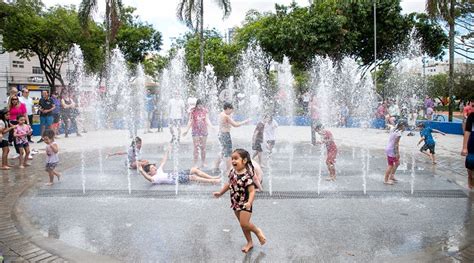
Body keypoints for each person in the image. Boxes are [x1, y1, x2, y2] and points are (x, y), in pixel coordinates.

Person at [213, 149, 266, 253]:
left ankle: (257, 231)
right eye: (232, 158)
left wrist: (249, 202)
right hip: (235, 202)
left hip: (245, 203)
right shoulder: (233, 172)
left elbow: (251, 191)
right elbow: (229, 184)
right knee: (243, 224)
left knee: (244, 223)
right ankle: (249, 242)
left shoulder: (247, 176)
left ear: (244, 160)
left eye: (236, 158)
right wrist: (220, 193)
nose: (233, 161)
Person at [138, 144, 221, 184]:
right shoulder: (155, 179)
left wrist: (167, 151)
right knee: (193, 177)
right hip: (175, 179)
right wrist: (142, 171)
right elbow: (148, 178)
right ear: (149, 173)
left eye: (153, 167)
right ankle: (213, 181)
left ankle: (212, 177)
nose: (154, 168)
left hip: (176, 174)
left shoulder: (158, 171)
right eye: (152, 168)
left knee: (194, 169)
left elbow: (163, 161)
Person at [214, 102, 250, 174]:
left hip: (221, 134)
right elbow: (235, 125)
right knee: (228, 153)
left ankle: (216, 167)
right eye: (231, 110)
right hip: (225, 135)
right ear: (227, 109)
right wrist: (245, 122)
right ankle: (228, 170)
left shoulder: (221, 114)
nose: (231, 112)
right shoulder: (226, 116)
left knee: (223, 151)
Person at [182, 99, 213, 167]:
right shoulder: (193, 111)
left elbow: (207, 119)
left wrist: (211, 126)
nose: (200, 106)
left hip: (204, 130)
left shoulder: (205, 110)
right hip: (195, 131)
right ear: (196, 105)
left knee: (203, 147)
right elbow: (190, 121)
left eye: (201, 105)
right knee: (196, 147)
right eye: (198, 105)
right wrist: (186, 130)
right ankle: (195, 163)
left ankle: (203, 162)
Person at [462, 112, 474, 189]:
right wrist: (464, 147)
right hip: (472, 145)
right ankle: (471, 189)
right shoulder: (472, 116)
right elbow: (467, 131)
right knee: (471, 173)